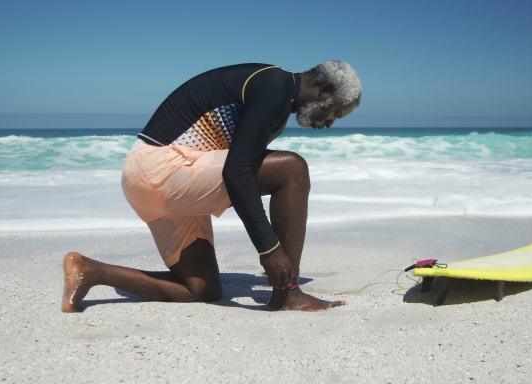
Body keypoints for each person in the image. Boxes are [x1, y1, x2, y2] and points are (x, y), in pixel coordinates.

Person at [62, 61, 362, 312]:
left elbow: (236, 168)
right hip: (164, 168)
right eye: (336, 111)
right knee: (292, 169)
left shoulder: (275, 93)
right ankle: (288, 294)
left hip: (145, 178)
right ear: (325, 91)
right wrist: (269, 249)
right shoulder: (274, 86)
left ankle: (90, 271)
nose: (330, 122)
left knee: (201, 289)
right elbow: (237, 171)